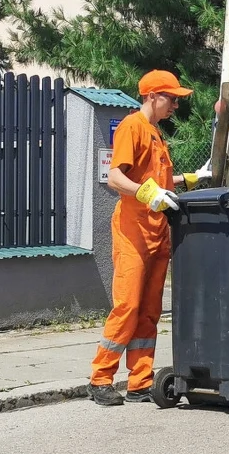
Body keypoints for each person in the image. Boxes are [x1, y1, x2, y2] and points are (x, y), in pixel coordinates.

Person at [88, 69, 206, 406]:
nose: (175, 106)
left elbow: (159, 186)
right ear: (152, 96)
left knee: (150, 310)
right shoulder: (132, 127)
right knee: (128, 306)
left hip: (156, 233)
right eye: (171, 98)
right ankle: (100, 379)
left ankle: (140, 381)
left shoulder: (154, 133)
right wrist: (144, 194)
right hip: (133, 232)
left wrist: (190, 178)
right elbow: (115, 178)